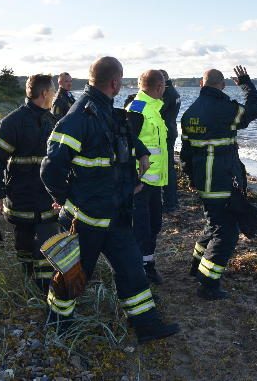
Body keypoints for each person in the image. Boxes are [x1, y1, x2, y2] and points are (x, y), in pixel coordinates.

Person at [40, 57, 179, 342]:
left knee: (133, 273)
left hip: (116, 214)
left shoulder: (107, 111)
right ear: (115, 83)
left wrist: (140, 152)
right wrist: (65, 201)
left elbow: (123, 134)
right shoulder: (79, 118)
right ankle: (56, 326)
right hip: (88, 221)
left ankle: (146, 326)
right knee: (72, 276)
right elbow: (50, 168)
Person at [180, 66, 257, 300]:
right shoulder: (226, 109)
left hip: (203, 181)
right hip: (222, 180)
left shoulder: (189, 114)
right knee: (226, 233)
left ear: (200, 84)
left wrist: (191, 179)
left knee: (213, 223)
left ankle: (197, 266)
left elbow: (186, 154)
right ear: (223, 85)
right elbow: (256, 109)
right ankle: (208, 283)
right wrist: (246, 83)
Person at [0, 74, 59, 298]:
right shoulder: (12, 122)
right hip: (21, 198)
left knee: (46, 247)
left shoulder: (52, 121)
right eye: (52, 91)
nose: (54, 95)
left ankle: (48, 293)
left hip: (47, 200)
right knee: (24, 246)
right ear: (45, 93)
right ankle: (30, 285)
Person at [126, 70, 168, 284]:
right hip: (140, 183)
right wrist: (133, 180)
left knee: (154, 225)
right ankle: (142, 270)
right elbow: (126, 143)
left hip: (155, 181)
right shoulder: (138, 107)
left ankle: (147, 265)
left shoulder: (154, 108)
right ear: (159, 87)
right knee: (141, 228)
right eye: (164, 87)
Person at [159, 70, 181, 213]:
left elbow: (158, 110)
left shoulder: (167, 93)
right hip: (171, 130)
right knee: (169, 167)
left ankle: (170, 202)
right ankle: (171, 201)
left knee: (167, 168)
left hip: (165, 133)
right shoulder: (174, 92)